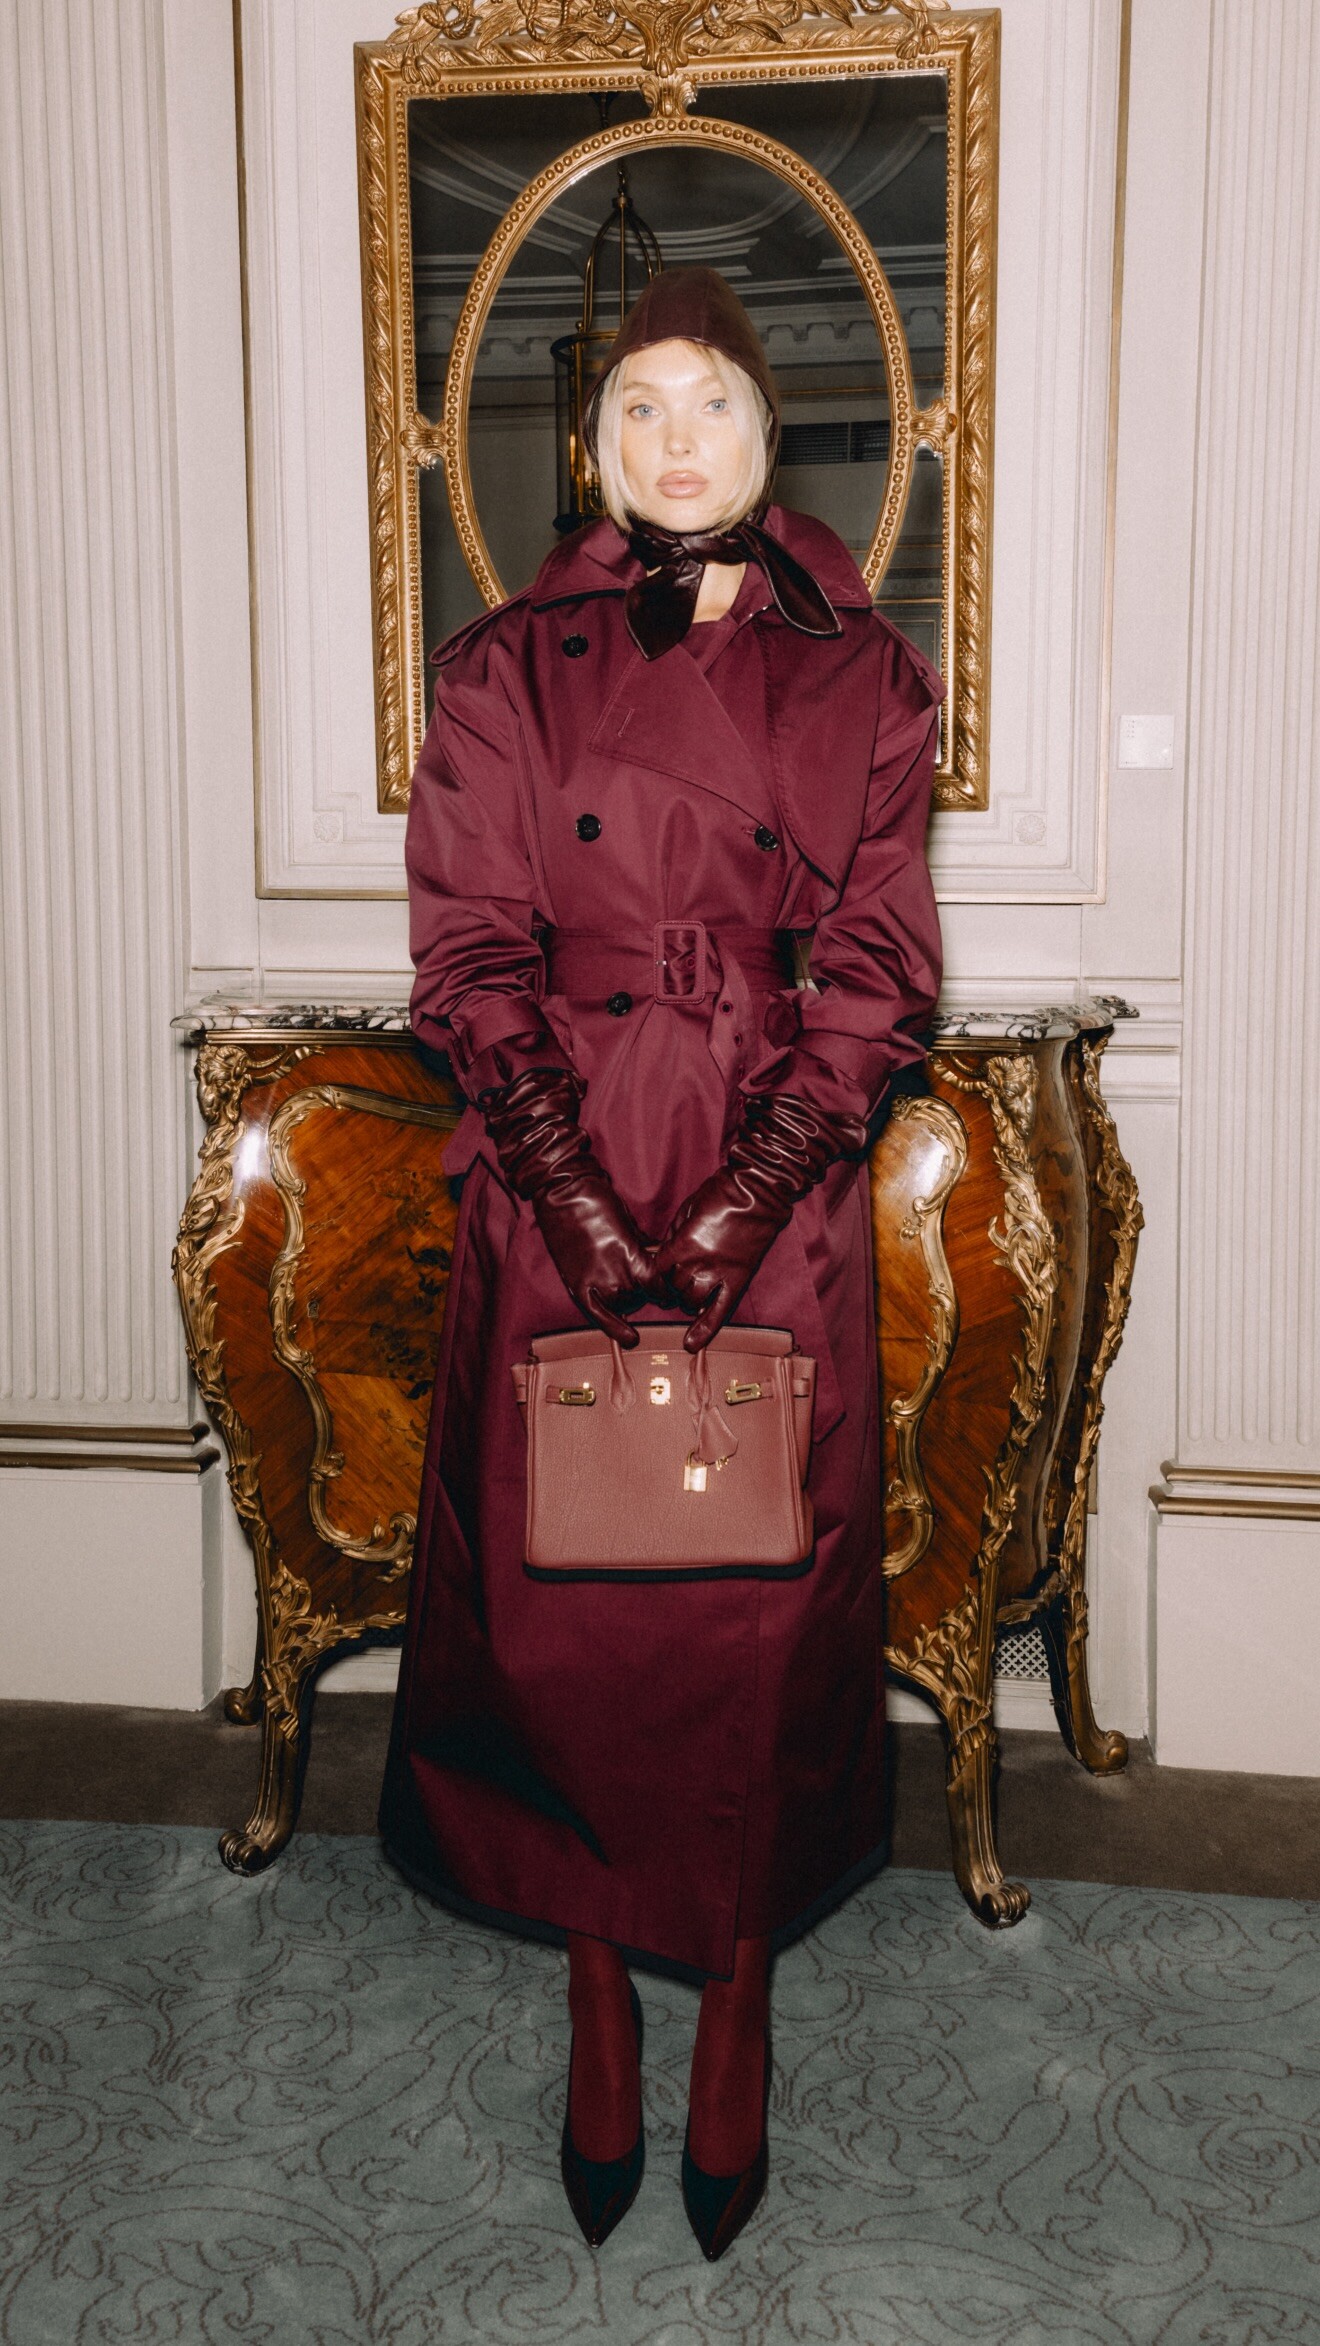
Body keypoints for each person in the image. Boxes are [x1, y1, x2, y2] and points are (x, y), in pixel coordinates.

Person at [379, 266, 944, 2259]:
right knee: (574, 1619)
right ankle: (602, 1985)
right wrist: (578, 1196)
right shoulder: (498, 671)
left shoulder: (867, 678)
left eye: (711, 400)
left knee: (751, 1618)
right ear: (598, 441)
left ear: (765, 432)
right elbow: (467, 954)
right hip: (560, 1178)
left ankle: (741, 1984)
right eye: (639, 405)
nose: (676, 437)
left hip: (770, 1182)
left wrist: (740, 1196)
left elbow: (879, 969)